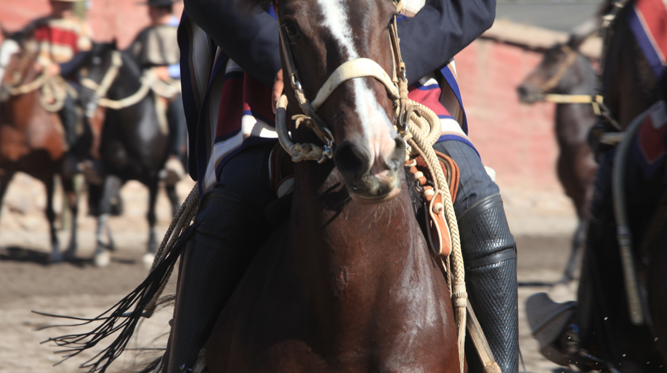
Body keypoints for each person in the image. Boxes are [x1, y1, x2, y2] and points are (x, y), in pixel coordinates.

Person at [167, 1, 519, 372]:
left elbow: (473, 5)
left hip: (399, 69)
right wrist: (290, 56)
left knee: (477, 199)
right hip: (278, 72)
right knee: (228, 205)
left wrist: (375, 66)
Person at [23, 0, 93, 152]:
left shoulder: (79, 26)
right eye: (62, 3)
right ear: (52, 4)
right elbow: (25, 46)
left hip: (66, 79)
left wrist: (61, 68)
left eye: (69, 4)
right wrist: (32, 64)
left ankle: (72, 149)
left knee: (67, 103)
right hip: (37, 78)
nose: (66, 6)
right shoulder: (39, 24)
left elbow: (83, 55)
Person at [129, 0, 187, 182]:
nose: (149, 14)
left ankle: (177, 156)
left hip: (173, 84)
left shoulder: (181, 30)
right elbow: (132, 57)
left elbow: (189, 61)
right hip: (147, 80)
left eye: (151, 9)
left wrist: (167, 71)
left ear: (162, 9)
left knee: (179, 106)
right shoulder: (145, 33)